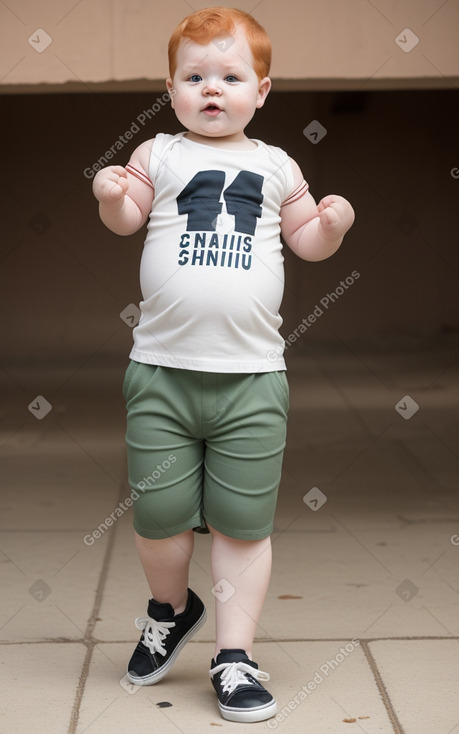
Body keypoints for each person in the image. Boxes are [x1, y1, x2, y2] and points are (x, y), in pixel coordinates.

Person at [92, 6, 354, 724]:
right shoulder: (158, 155)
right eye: (195, 77)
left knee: (243, 526)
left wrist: (329, 225)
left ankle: (234, 656)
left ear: (260, 91)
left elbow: (304, 242)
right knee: (158, 518)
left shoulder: (276, 164)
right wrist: (111, 194)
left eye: (230, 77)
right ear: (171, 89)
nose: (213, 89)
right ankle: (169, 609)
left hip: (250, 380)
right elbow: (127, 218)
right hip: (161, 372)